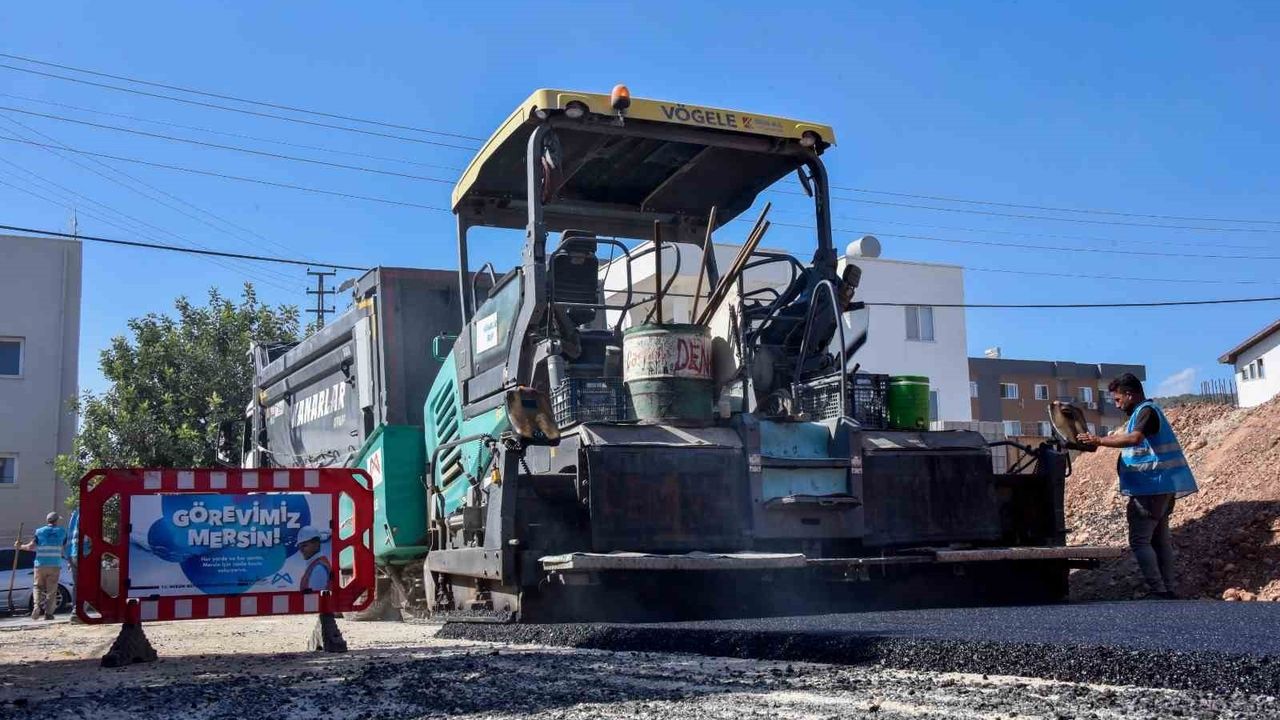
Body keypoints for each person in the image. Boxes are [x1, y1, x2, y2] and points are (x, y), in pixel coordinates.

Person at [1077, 373, 1198, 598]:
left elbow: (1134, 440)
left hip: (1149, 488)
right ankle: (1168, 589)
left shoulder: (1146, 412)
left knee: (1140, 541)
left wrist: (1099, 440)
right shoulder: (1146, 412)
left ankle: (1158, 590)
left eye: (1117, 399)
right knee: (1160, 540)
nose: (1116, 404)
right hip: (1162, 488)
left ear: (1129, 394)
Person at [18, 512, 67, 620]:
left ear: (47, 521)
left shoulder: (39, 531)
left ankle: (36, 607)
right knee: (52, 590)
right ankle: (48, 613)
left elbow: (31, 547)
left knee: (37, 587)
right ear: (56, 521)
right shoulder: (62, 532)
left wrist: (20, 546)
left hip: (40, 564)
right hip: (55, 564)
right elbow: (64, 546)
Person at [296, 526, 331, 593]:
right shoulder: (314, 565)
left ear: (316, 544)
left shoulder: (318, 568)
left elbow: (314, 597)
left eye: (304, 546)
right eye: (299, 547)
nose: (301, 550)